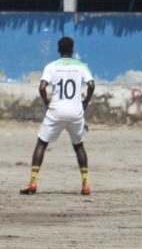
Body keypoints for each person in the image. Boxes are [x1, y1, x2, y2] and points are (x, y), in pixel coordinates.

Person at [20, 37, 95, 196]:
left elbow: (42, 87)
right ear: (73, 50)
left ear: (58, 50)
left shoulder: (51, 67)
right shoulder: (81, 67)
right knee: (78, 146)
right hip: (75, 112)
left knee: (41, 143)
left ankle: (32, 182)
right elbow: (91, 85)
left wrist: (47, 101)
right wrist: (86, 102)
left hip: (56, 110)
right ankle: (86, 185)